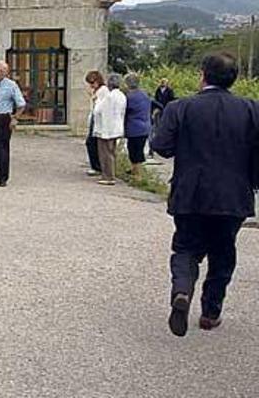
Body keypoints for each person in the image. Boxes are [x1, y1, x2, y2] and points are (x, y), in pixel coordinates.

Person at [150, 53, 259, 337]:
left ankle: (182, 290)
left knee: (186, 248)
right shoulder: (251, 109)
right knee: (223, 252)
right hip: (233, 195)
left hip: (190, 193)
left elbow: (161, 145)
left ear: (203, 75)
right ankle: (211, 312)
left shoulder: (180, 107)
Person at [92, 73, 126, 186]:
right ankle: (111, 174)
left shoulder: (109, 97)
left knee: (105, 153)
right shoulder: (122, 95)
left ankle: (108, 176)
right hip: (117, 126)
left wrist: (96, 101)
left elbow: (98, 111)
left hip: (106, 128)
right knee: (112, 152)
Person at [123, 73, 152, 181]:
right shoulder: (145, 94)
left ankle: (138, 175)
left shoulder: (130, 97)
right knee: (137, 149)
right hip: (145, 126)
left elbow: (125, 111)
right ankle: (134, 170)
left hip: (134, 127)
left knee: (134, 151)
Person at [84, 71, 109, 177]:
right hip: (94, 118)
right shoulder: (96, 90)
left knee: (92, 143)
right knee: (91, 142)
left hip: (99, 119)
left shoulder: (103, 91)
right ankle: (95, 165)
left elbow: (101, 106)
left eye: (93, 82)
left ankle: (97, 166)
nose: (91, 85)